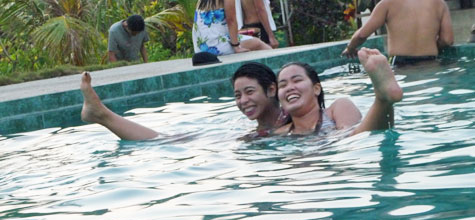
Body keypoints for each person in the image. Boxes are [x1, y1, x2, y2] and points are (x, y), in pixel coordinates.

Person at [80, 62, 288, 140]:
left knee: (167, 140)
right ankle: (102, 115)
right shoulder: (257, 132)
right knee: (169, 139)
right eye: (237, 95)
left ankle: (102, 115)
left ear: (271, 89)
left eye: (249, 92)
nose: (243, 101)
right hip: (240, 134)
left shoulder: (292, 119)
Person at [274, 48, 403, 136]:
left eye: (297, 80)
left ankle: (382, 98)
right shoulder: (282, 133)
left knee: (352, 139)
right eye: (283, 85)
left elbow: (352, 139)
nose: (290, 87)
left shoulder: (338, 108)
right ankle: (384, 97)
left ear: (316, 89)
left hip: (348, 150)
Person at [342, 0, 454, 66]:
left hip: (401, 64)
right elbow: (447, 40)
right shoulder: (440, 3)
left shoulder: (388, 3)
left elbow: (362, 34)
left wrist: (350, 48)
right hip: (431, 62)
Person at [192, 0, 271, 56]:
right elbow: (231, 20)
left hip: (201, 48)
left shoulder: (201, 1)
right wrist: (236, 46)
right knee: (258, 43)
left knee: (251, 40)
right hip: (215, 46)